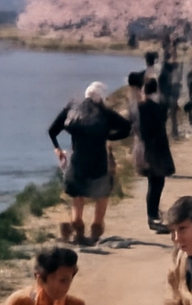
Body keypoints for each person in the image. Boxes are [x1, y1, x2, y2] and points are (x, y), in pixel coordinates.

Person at [49, 82, 132, 245]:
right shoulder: (105, 113)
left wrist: (57, 149)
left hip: (77, 162)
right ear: (101, 98)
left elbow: (53, 131)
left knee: (77, 197)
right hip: (98, 162)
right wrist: (109, 136)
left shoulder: (72, 109)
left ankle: (78, 229)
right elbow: (127, 128)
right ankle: (96, 229)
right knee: (102, 195)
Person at [130, 78, 176, 233]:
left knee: (153, 183)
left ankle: (153, 214)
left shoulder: (137, 107)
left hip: (142, 149)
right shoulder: (157, 107)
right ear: (156, 90)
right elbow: (161, 119)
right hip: (155, 150)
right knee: (157, 183)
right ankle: (153, 216)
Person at [5, 247, 84, 305]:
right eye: (62, 281)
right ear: (40, 280)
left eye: (69, 280)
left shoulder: (74, 304)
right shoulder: (20, 302)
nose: (66, 287)